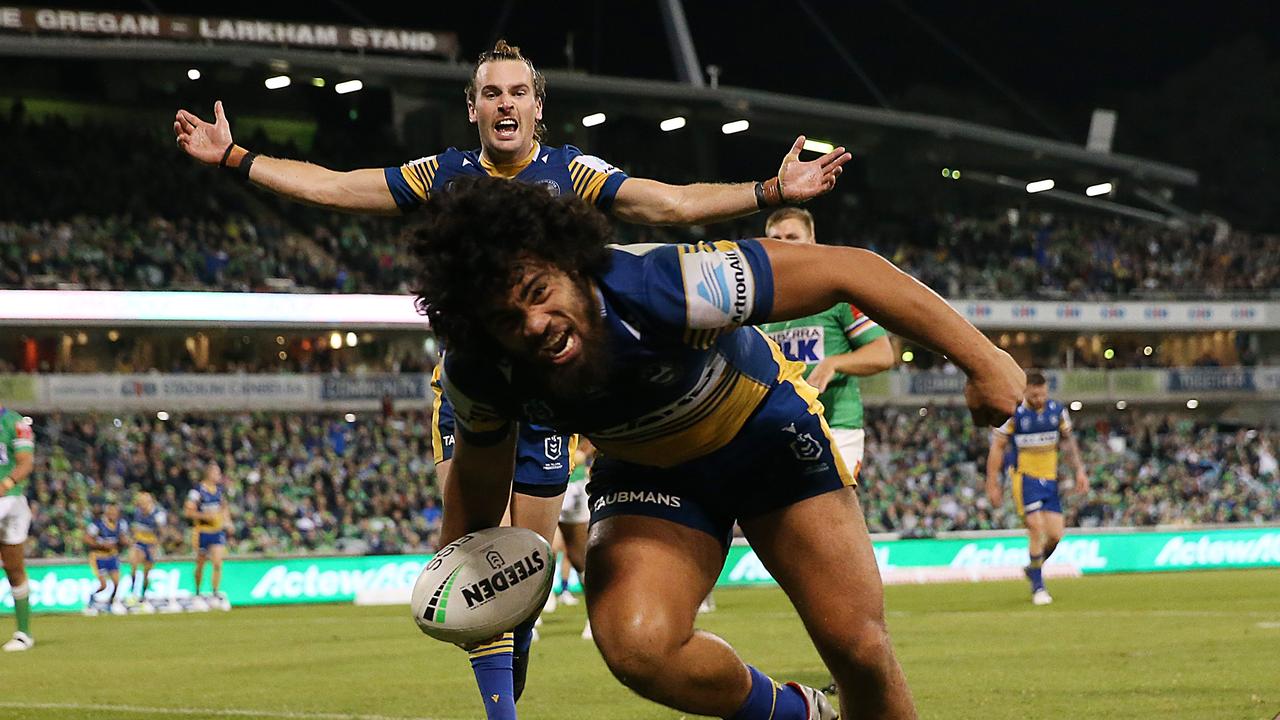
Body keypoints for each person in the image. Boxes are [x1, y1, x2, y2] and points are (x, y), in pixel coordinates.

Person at [178, 39, 848, 720]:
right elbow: (339, 186)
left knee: (530, 559)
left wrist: (766, 191)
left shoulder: (571, 171)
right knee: (483, 554)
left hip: (560, 389)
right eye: (491, 93)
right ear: (472, 108)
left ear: (537, 107)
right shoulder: (446, 173)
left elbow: (665, 203)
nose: (505, 103)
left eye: (517, 92)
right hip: (485, 385)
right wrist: (238, 158)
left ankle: (522, 643)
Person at [413, 178, 1024, 720]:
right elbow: (478, 488)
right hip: (648, 473)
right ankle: (797, 714)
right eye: (505, 318)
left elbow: (851, 270)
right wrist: (464, 577)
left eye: (539, 290)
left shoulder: (669, 285)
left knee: (857, 647)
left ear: (570, 262)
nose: (534, 323)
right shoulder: (481, 374)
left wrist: (983, 359)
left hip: (765, 435)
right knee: (636, 645)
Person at [759, 207, 894, 480]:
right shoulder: (760, 306)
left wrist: (834, 363)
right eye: (776, 239)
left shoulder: (836, 295)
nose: (784, 246)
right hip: (781, 427)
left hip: (837, 425)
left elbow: (882, 353)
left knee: (832, 509)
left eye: (792, 237)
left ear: (811, 241)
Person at [985, 371, 1088, 605]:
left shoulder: (1057, 411)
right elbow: (998, 447)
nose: (1039, 399)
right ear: (1026, 392)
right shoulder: (1014, 413)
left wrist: (1079, 470)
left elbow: (1067, 441)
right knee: (1035, 527)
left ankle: (1034, 568)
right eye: (1034, 395)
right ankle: (1038, 587)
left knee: (1055, 535)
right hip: (1025, 478)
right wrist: (992, 482)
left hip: (1049, 479)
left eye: (1042, 394)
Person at [0, 406, 35, 650]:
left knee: (14, 568)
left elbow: (25, 462)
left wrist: (8, 482)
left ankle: (24, 633)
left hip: (10, 499)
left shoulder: (14, 422)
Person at [185, 462, 232, 611]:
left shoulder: (219, 490)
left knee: (217, 563)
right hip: (202, 532)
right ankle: (198, 592)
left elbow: (224, 507)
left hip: (217, 532)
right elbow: (188, 512)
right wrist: (206, 516)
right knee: (201, 564)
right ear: (209, 474)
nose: (219, 476)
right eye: (217, 473)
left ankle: (215, 592)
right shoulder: (197, 491)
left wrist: (227, 521)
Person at [84, 501, 129, 616]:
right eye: (111, 511)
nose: (113, 514)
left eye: (115, 511)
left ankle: (110, 603)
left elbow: (123, 538)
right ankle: (91, 600)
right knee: (103, 585)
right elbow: (87, 539)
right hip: (99, 556)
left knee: (116, 583)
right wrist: (102, 545)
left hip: (112, 556)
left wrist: (126, 542)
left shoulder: (121, 524)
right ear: (107, 512)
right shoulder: (97, 524)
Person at [128, 491, 166, 609]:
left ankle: (143, 596)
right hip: (139, 542)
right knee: (133, 564)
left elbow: (163, 533)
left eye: (144, 502)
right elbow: (134, 528)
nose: (142, 505)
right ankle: (133, 593)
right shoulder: (137, 512)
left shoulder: (158, 514)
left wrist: (156, 545)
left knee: (146, 573)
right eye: (140, 502)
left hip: (151, 544)